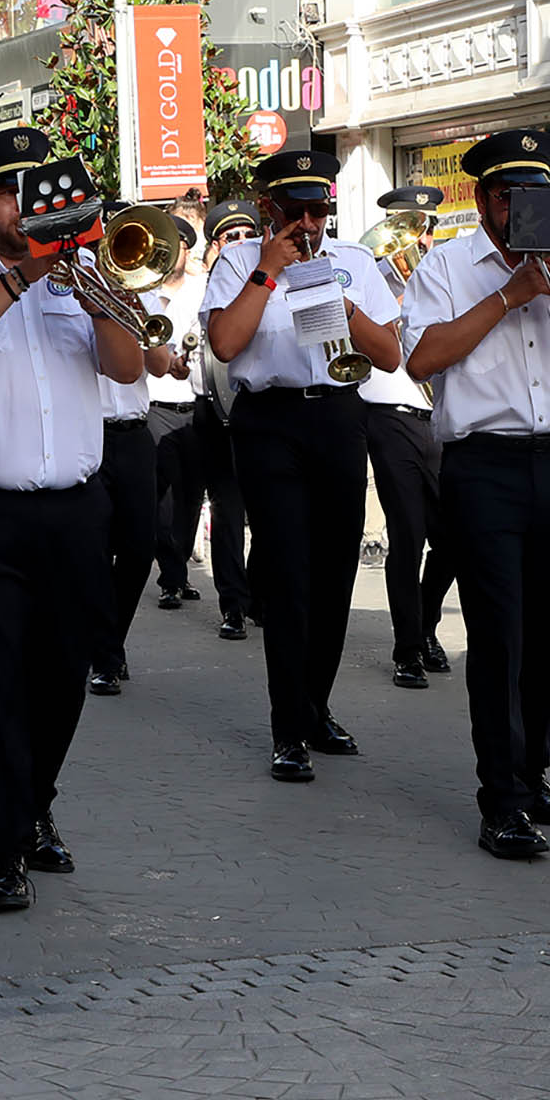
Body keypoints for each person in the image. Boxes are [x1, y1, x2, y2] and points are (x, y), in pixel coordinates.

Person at [0, 128, 145, 913]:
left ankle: (35, 801)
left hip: (75, 505)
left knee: (65, 671)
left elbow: (128, 366)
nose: (27, 204)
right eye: (11, 191)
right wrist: (22, 277)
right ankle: (3, 848)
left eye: (35, 189)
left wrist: (91, 287)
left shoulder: (76, 275)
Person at [402, 130, 550, 859]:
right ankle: (499, 797)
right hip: (485, 468)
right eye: (508, 196)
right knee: (500, 638)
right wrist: (510, 295)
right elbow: (423, 356)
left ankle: (533, 774)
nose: (520, 208)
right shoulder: (445, 266)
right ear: (482, 200)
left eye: (534, 195)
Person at [202, 148, 404, 783]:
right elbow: (226, 345)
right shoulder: (238, 261)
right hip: (270, 423)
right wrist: (268, 270)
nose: (309, 224)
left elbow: (391, 357)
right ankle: (287, 726)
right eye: (297, 212)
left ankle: (315, 706)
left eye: (319, 211)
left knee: (336, 573)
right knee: (289, 575)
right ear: (270, 209)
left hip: (339, 416)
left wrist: (344, 306)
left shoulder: (356, 262)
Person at [360, 184, 455, 689]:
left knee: (455, 539)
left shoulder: (446, 272)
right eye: (413, 226)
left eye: (428, 226)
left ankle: (426, 624)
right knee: (408, 537)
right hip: (392, 414)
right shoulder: (369, 276)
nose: (422, 235)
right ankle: (408, 650)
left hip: (441, 416)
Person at [87, 269, 176, 696]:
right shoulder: (77, 298)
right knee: (96, 552)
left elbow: (159, 366)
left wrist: (135, 309)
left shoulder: (145, 300)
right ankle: (105, 655)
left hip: (136, 433)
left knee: (140, 549)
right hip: (87, 432)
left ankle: (108, 642)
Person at [192, 200, 260, 640]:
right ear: (214, 245)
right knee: (228, 509)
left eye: (245, 235)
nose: (239, 243)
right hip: (213, 410)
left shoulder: (265, 281)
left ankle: (260, 592)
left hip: (257, 407)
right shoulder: (200, 283)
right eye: (228, 237)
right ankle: (233, 603)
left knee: (269, 508)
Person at [147, 216, 207, 613]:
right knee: (162, 502)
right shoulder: (147, 290)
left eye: (182, 246)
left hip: (198, 405)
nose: (176, 255)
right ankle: (170, 576)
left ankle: (180, 568)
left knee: (190, 498)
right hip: (157, 405)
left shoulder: (203, 289)